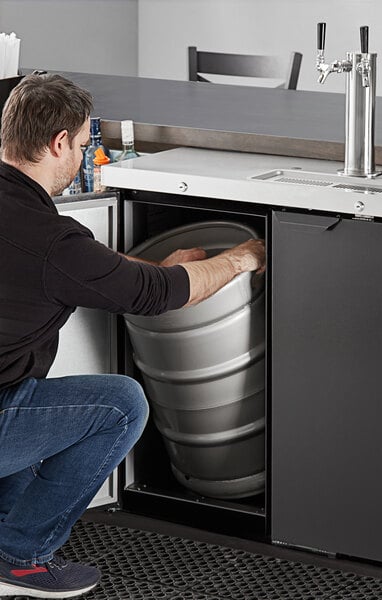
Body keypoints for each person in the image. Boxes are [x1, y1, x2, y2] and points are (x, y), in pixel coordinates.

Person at [0, 73, 265, 598]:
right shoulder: (49, 237)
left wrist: (146, 270)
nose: (81, 155)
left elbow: (85, 269)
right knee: (120, 403)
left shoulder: (32, 227)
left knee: (28, 418)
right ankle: (20, 559)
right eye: (80, 145)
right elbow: (161, 295)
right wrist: (241, 258)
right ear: (57, 144)